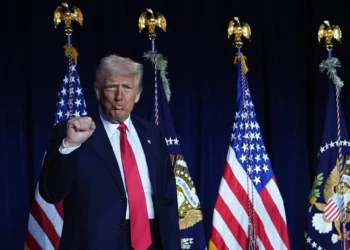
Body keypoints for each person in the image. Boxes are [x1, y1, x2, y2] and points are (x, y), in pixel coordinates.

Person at [39, 54, 181, 250]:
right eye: (112, 86)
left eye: (127, 88)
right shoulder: (73, 132)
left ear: (138, 94)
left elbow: (168, 199)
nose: (119, 97)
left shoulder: (152, 134)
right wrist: (69, 145)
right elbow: (51, 193)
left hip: (151, 241)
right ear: (98, 92)